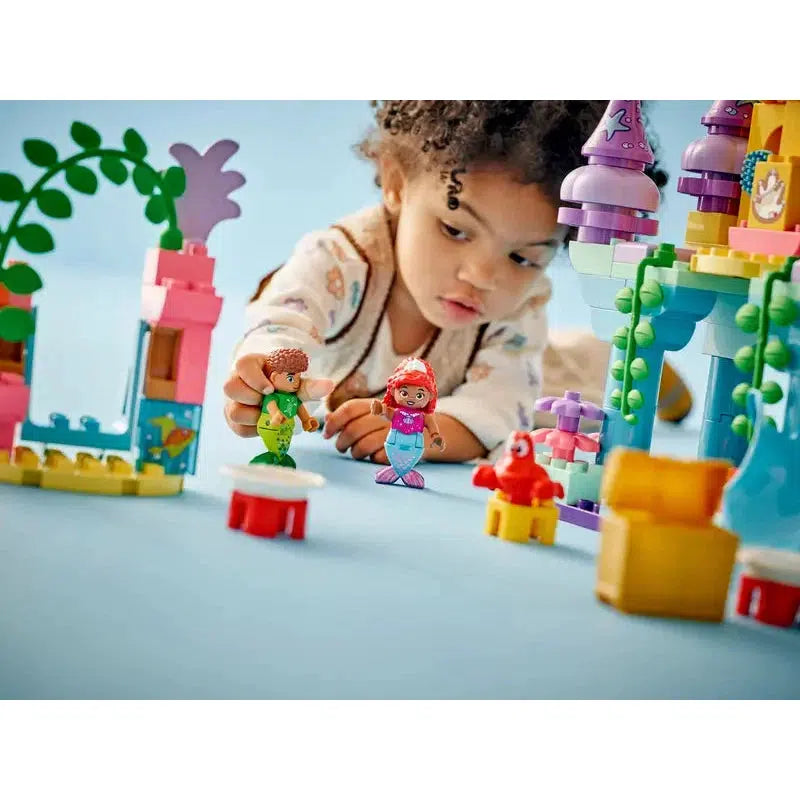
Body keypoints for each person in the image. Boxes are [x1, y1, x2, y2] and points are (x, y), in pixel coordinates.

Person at [224, 101, 692, 465]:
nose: (481, 276)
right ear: (396, 183)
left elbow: (501, 406)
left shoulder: (516, 308)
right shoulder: (340, 260)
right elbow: (284, 317)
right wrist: (265, 372)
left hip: (529, 370)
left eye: (524, 257)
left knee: (569, 393)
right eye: (454, 230)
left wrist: (424, 432)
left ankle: (614, 359)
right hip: (471, 366)